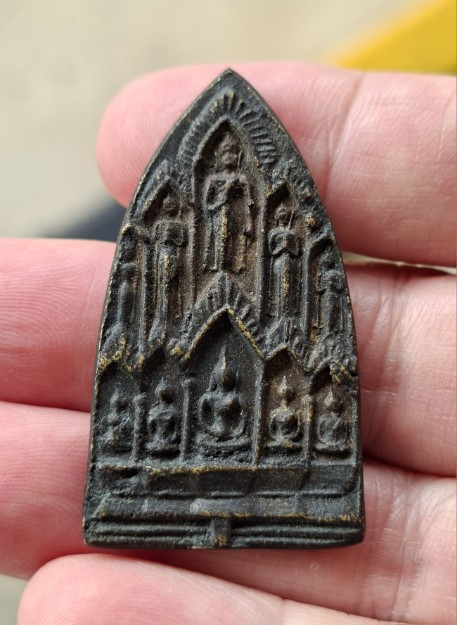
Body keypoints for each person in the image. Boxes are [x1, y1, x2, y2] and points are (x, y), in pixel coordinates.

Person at [1, 64, 455, 624]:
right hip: (185, 278)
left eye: (236, 163)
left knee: (282, 394)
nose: (229, 167)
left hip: (267, 278)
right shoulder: (187, 225)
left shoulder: (271, 229)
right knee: (168, 387)